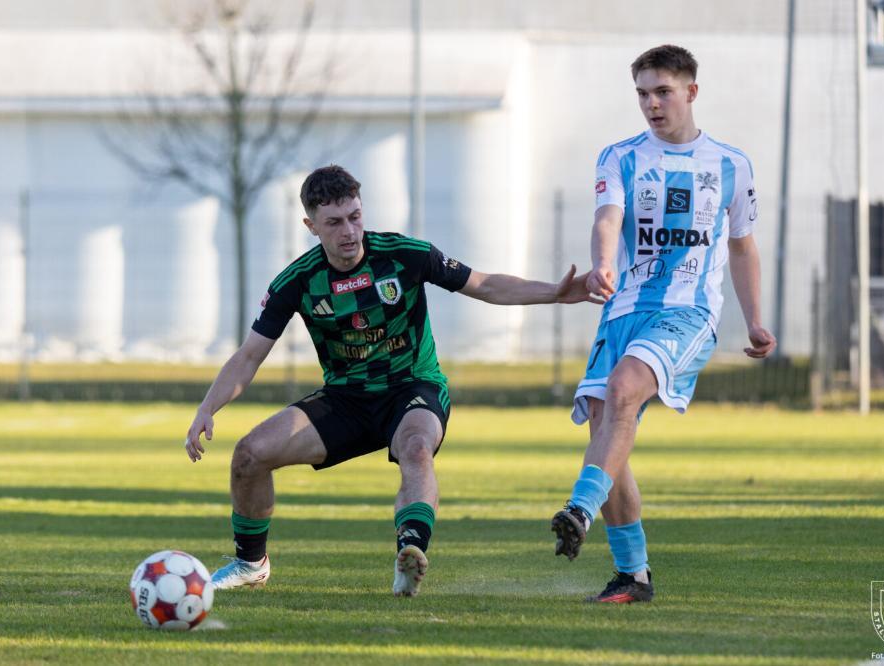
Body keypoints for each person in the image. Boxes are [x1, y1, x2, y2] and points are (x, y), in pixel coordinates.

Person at [185, 164, 599, 598]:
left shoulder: (404, 254)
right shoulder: (298, 280)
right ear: (311, 226)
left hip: (412, 388)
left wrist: (554, 292)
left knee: (416, 449)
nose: (349, 231)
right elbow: (250, 355)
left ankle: (410, 555)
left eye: (355, 217)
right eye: (334, 222)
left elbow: (484, 285)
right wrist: (207, 408)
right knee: (249, 454)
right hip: (345, 400)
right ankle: (250, 564)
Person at [550, 45, 777, 604]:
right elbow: (608, 219)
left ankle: (579, 506)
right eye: (642, 94)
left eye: (662, 92)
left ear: (691, 92)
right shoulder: (620, 156)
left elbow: (742, 247)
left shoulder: (731, 165)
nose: (651, 104)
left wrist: (755, 320)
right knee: (606, 431)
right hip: (623, 309)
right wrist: (604, 263)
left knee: (625, 388)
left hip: (687, 311)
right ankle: (634, 575)